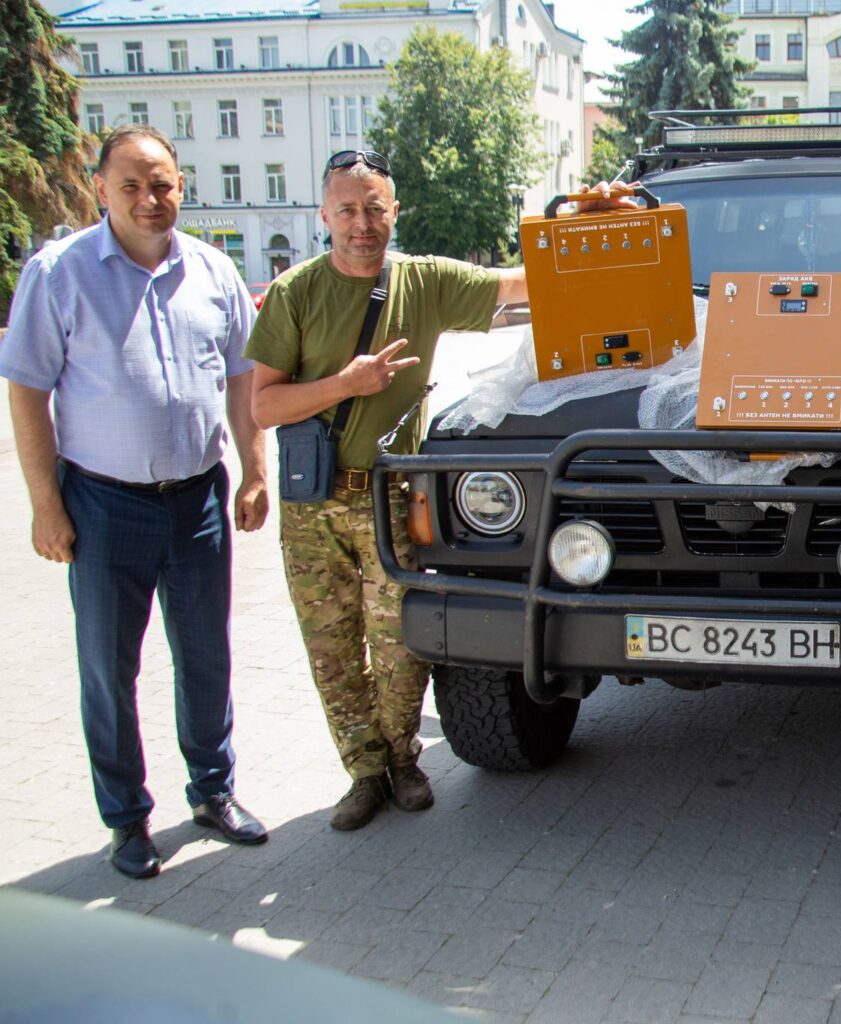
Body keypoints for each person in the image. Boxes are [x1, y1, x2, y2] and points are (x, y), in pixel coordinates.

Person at [245, 153, 629, 831]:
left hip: (389, 496)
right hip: (313, 506)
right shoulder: (294, 293)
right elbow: (263, 406)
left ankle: (403, 762)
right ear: (324, 216)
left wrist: (582, 223)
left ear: (394, 212)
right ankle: (363, 775)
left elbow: (524, 284)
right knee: (332, 652)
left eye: (375, 209)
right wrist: (345, 385)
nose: (362, 224)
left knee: (399, 649)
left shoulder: (423, 281)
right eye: (347, 210)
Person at [0, 125, 269, 879]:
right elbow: (26, 390)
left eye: (163, 185)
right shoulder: (60, 273)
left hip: (197, 502)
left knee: (206, 655)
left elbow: (245, 378)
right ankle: (125, 818)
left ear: (182, 184)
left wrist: (253, 469)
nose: (151, 200)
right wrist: (45, 504)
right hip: (102, 505)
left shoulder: (215, 271)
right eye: (132, 186)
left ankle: (214, 792)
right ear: (102, 191)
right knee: (108, 669)